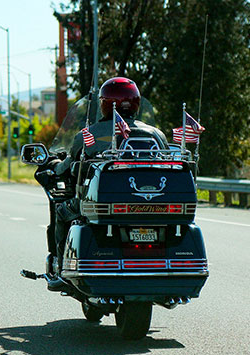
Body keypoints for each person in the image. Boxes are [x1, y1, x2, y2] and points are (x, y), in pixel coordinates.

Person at [44, 77, 169, 291]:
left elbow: (69, 164)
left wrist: (55, 166)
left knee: (62, 211)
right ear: (136, 102)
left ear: (104, 103)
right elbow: (167, 164)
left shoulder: (89, 134)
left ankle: (62, 269)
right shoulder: (156, 135)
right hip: (149, 204)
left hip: (102, 204)